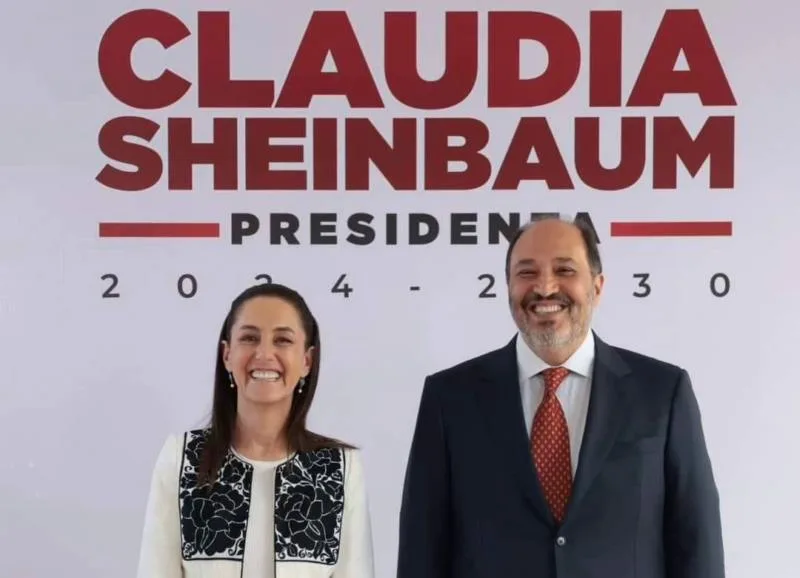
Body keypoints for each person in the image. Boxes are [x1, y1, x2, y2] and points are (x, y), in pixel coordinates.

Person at [397, 216, 725, 578]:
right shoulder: (450, 398)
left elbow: (697, 543)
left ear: (597, 287)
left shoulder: (662, 392)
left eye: (564, 270)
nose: (545, 287)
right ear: (508, 287)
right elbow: (421, 551)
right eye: (526, 272)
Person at [136, 282, 375, 578]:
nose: (264, 353)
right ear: (227, 355)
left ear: (307, 361)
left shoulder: (339, 467)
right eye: (249, 338)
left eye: (282, 340)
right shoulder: (182, 459)